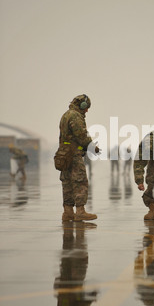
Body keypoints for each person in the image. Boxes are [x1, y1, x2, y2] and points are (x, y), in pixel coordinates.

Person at [59, 94, 99, 222]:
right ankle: (80, 211)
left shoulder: (65, 115)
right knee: (80, 181)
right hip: (74, 154)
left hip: (64, 154)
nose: (87, 110)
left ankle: (68, 212)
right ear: (81, 105)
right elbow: (81, 135)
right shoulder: (75, 116)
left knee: (67, 183)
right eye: (86, 107)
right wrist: (92, 147)